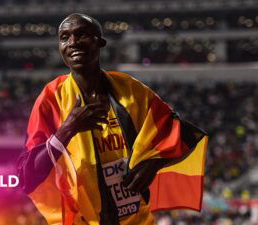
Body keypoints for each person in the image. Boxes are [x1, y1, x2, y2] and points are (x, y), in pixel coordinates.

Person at [17, 13, 207, 225]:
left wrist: (154, 163)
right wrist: (68, 129)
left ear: (100, 42)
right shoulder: (51, 98)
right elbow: (28, 174)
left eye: (82, 34)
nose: (73, 42)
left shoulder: (130, 90)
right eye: (65, 37)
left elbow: (183, 134)